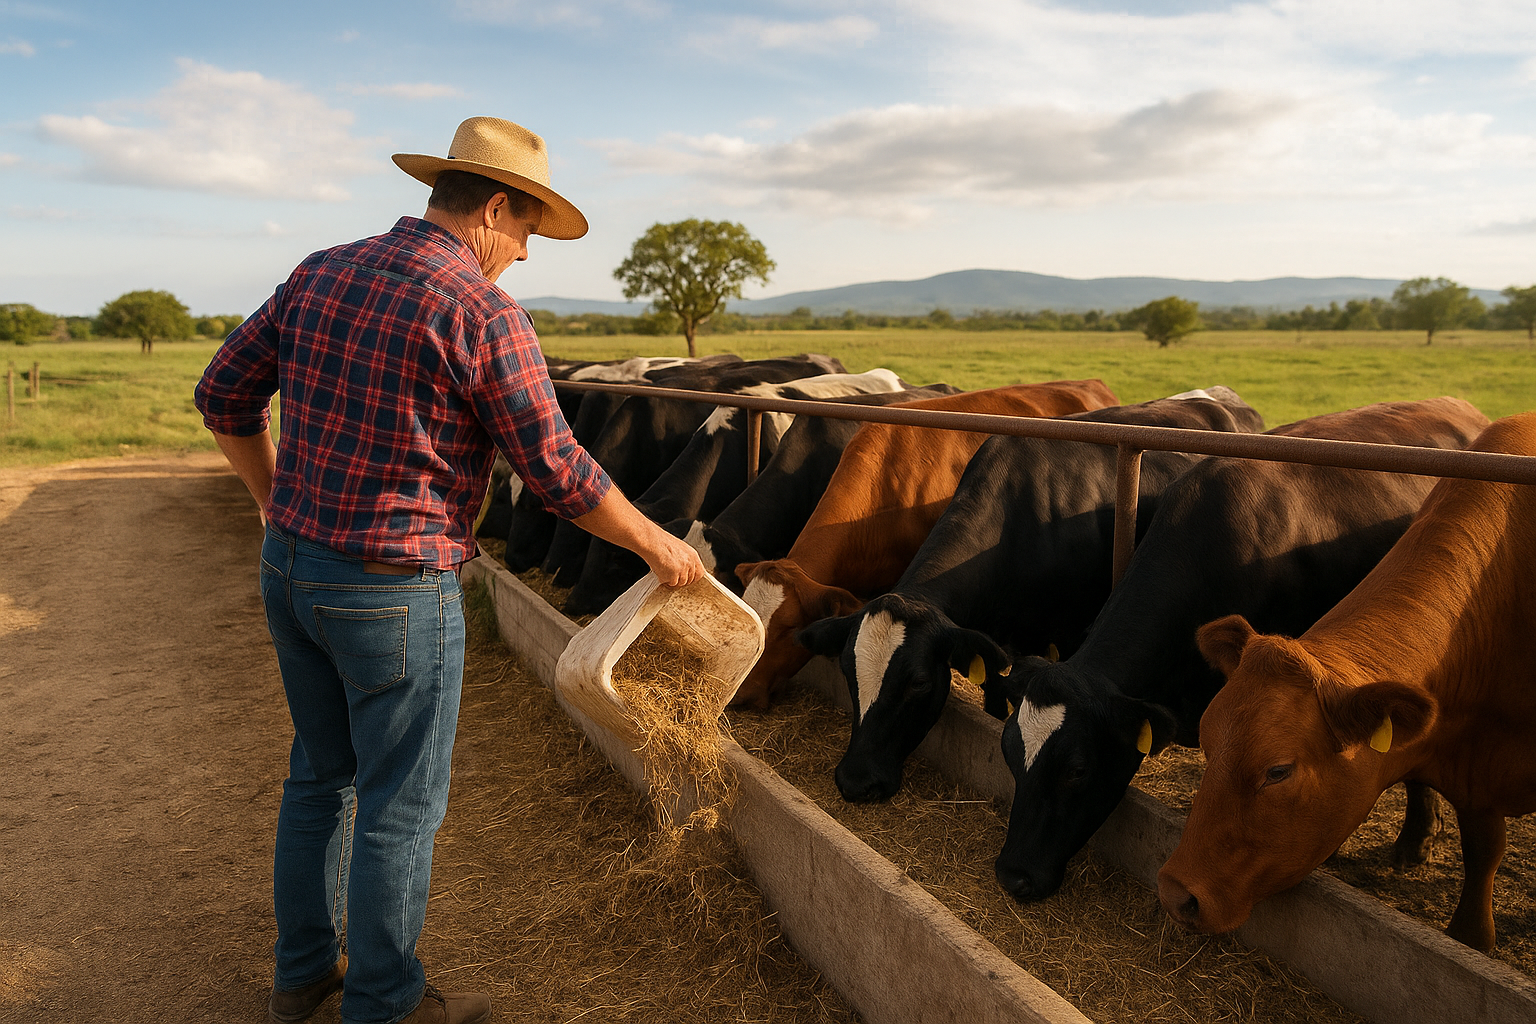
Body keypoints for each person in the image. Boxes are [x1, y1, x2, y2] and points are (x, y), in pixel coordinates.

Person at [195, 116, 705, 1024]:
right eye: (524, 233)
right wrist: (656, 543)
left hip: (292, 569)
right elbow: (556, 471)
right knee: (398, 801)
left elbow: (222, 393)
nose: (523, 254)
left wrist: (274, 503)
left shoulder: (321, 270)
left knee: (321, 775)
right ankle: (386, 1003)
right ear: (494, 208)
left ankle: (304, 976)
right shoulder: (481, 310)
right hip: (394, 589)